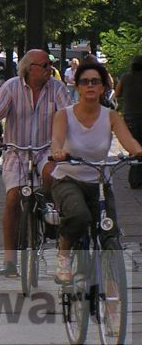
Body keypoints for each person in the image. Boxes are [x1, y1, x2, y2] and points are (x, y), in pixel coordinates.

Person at [50, 60, 142, 283]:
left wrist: (138, 151)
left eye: (95, 82)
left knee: (109, 229)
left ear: (102, 88)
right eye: (84, 82)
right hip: (69, 178)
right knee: (79, 216)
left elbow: (129, 142)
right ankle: (63, 256)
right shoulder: (64, 115)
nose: (90, 85)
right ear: (78, 87)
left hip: (100, 181)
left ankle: (111, 287)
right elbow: (57, 141)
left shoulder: (110, 116)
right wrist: (58, 152)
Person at [0, 49, 73, 278]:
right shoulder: (11, 87)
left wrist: (66, 146)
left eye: (50, 64)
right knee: (13, 199)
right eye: (44, 65)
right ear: (29, 68)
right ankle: (9, 260)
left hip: (47, 149)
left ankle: (50, 209)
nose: (49, 69)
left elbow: (69, 116)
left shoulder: (57, 88)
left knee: (51, 174)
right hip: (17, 151)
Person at [115, 55, 142, 187]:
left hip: (130, 116)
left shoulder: (126, 77)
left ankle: (134, 179)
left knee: (134, 147)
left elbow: (117, 94)